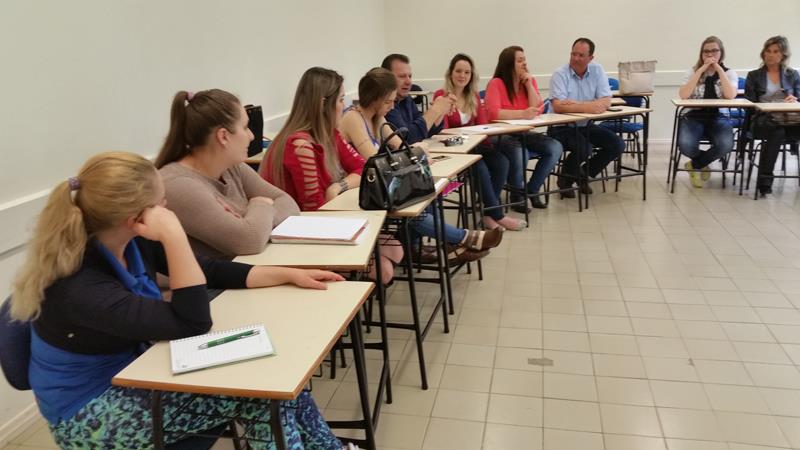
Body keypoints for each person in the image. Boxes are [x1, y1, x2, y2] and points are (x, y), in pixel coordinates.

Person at [9, 152, 352, 450]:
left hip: (138, 372)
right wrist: (173, 234)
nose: (167, 209)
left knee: (282, 387)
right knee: (263, 398)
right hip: (90, 415)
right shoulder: (80, 287)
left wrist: (285, 273)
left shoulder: (129, 241)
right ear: (136, 218)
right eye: (161, 204)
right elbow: (192, 322)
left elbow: (209, 271)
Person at [338, 67, 504, 260]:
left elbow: (401, 146)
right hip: (357, 191)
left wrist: (417, 153)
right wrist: (411, 154)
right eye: (388, 101)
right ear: (375, 99)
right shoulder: (353, 118)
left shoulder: (377, 116)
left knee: (425, 194)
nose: (392, 106)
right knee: (414, 210)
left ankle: (442, 245)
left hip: (373, 187)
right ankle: (464, 238)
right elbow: (373, 160)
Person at [261, 67, 404, 283]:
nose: (343, 106)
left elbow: (365, 167)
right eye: (340, 100)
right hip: (296, 235)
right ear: (323, 104)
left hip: (320, 224)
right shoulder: (300, 146)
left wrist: (338, 186)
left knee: (395, 250)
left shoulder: (329, 134)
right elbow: (313, 211)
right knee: (383, 270)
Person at [155, 89, 300, 259]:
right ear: (223, 136)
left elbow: (289, 204)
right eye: (245, 127)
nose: (251, 136)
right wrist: (260, 205)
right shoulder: (178, 185)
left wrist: (255, 222)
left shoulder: (231, 167)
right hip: (217, 276)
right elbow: (249, 240)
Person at [432, 53, 527, 231]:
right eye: (458, 71)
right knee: (480, 167)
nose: (462, 75)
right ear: (450, 73)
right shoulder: (441, 96)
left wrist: (485, 140)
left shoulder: (473, 96)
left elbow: (483, 125)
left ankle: (488, 214)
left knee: (502, 162)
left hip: (476, 146)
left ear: (471, 75)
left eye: (467, 72)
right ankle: (497, 215)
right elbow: (442, 131)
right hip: (455, 151)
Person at [485, 46, 563, 210]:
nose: (525, 64)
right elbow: (493, 113)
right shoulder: (496, 83)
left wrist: (528, 85)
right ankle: (516, 195)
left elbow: (538, 108)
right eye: (520, 61)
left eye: (524, 60)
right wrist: (522, 113)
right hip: (500, 134)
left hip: (523, 132)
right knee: (519, 152)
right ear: (509, 64)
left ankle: (531, 190)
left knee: (555, 147)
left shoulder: (529, 81)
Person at [549, 38, 624, 197]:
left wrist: (576, 104)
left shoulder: (597, 70)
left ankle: (582, 174)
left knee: (617, 144)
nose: (575, 58)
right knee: (585, 148)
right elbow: (559, 107)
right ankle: (566, 179)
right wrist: (590, 105)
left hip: (585, 125)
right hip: (561, 127)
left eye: (581, 55)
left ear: (590, 58)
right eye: (573, 54)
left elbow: (606, 100)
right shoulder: (560, 74)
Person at [677, 36, 738, 188]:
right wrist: (701, 70)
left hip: (719, 116)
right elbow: (684, 95)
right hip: (693, 116)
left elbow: (730, 95)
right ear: (701, 54)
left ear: (721, 53)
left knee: (726, 144)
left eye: (714, 51)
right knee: (685, 145)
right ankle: (703, 163)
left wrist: (719, 69)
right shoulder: (692, 72)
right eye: (706, 52)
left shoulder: (729, 73)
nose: (710, 55)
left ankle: (695, 165)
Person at [745, 35, 800, 196]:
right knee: (777, 132)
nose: (770, 55)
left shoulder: (792, 75)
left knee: (781, 130)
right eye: (768, 51)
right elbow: (749, 104)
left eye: (776, 51)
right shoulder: (754, 76)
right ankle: (765, 180)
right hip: (763, 120)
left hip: (788, 119)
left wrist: (794, 99)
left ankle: (764, 179)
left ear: (783, 55)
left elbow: (799, 97)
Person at [381, 53, 456, 144]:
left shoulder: (406, 98)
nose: (409, 82)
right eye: (402, 76)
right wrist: (435, 110)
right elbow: (406, 139)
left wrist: (440, 112)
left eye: (410, 76)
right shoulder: (385, 104)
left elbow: (425, 132)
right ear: (386, 79)